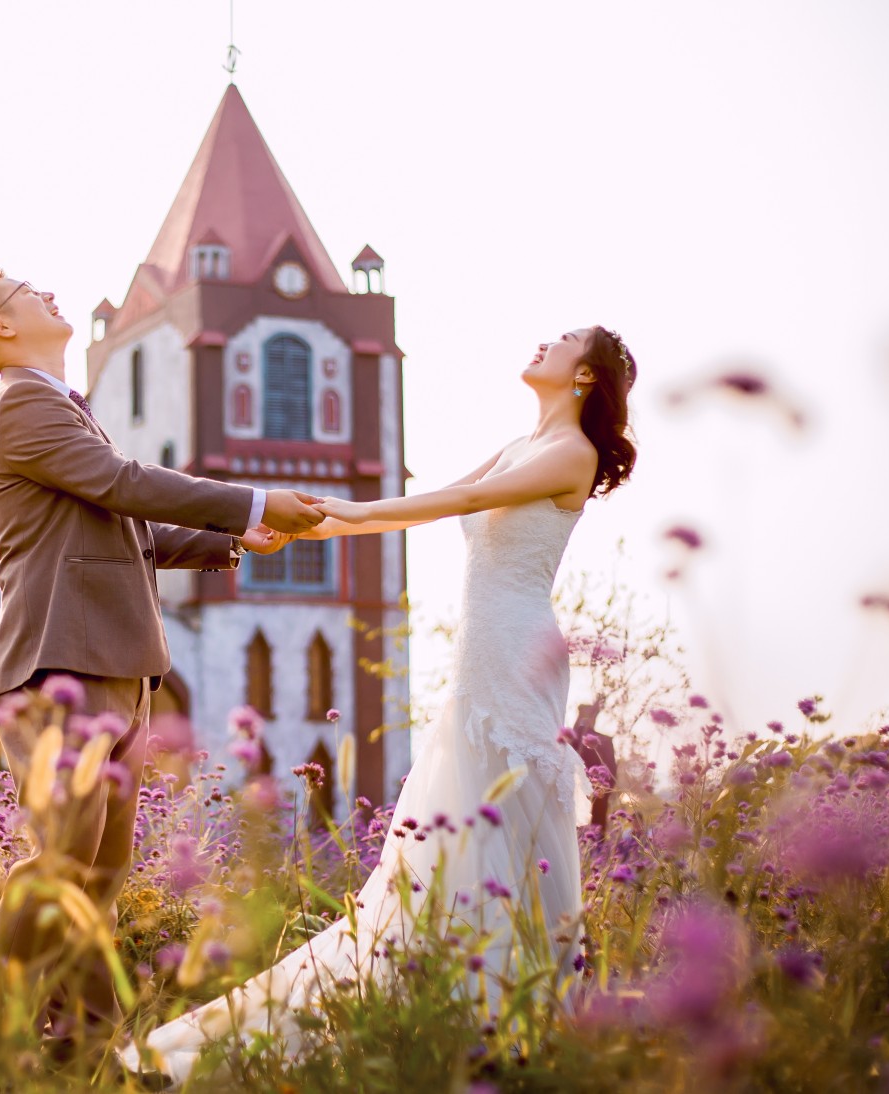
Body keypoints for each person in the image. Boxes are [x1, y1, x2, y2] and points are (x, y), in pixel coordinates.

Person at [119, 326, 639, 1085]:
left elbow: (460, 499)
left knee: (500, 820)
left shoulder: (570, 453)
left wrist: (342, 510)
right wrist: (302, 522)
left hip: (519, 651)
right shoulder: (519, 444)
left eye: (558, 342)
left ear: (586, 375)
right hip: (480, 653)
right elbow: (416, 509)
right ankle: (460, 1005)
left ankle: (510, 1013)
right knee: (452, 829)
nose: (538, 344)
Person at [0, 270, 325, 1066]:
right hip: (63, 662)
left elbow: (127, 529)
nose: (47, 290)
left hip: (114, 662)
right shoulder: (22, 402)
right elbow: (123, 485)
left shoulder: (58, 409)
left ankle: (86, 1055)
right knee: (60, 862)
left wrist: (234, 539)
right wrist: (252, 503)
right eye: (25, 289)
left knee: (97, 876)